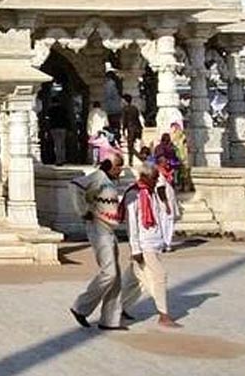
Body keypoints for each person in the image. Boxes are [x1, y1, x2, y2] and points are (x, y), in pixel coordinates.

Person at [120, 161, 182, 328]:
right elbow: (131, 224)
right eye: (154, 178)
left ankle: (117, 307)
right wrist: (135, 248)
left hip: (153, 241)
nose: (156, 181)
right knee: (159, 276)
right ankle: (163, 314)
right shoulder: (134, 195)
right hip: (143, 244)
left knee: (134, 280)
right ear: (145, 177)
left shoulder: (150, 192)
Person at [69, 150, 126, 330]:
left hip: (109, 229)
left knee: (115, 276)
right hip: (99, 230)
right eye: (118, 166)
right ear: (109, 166)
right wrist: (84, 210)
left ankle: (110, 319)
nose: (120, 171)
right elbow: (74, 186)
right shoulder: (98, 177)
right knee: (109, 273)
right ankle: (81, 307)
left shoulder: (106, 181)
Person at [120, 95, 143, 163]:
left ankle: (137, 158)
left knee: (130, 146)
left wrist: (123, 130)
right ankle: (132, 160)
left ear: (125, 101)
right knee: (132, 145)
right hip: (136, 128)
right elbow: (137, 118)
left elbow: (124, 120)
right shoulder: (134, 108)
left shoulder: (125, 109)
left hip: (130, 129)